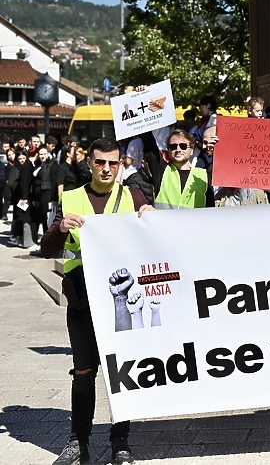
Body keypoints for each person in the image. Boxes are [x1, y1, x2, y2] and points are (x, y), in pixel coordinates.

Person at [41, 137, 154, 465]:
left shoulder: (133, 196)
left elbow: (154, 240)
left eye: (112, 163)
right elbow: (48, 249)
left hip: (120, 299)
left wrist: (150, 216)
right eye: (100, 162)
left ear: (120, 164)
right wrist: (61, 227)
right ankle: (78, 442)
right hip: (83, 302)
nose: (106, 169)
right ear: (89, 163)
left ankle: (121, 442)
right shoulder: (72, 197)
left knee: (122, 372)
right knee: (84, 372)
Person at [149, 129, 214, 209]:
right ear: (168, 150)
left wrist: (218, 147)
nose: (178, 150)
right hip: (164, 221)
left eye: (183, 146)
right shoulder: (161, 171)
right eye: (173, 147)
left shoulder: (205, 175)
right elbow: (148, 145)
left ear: (192, 150)